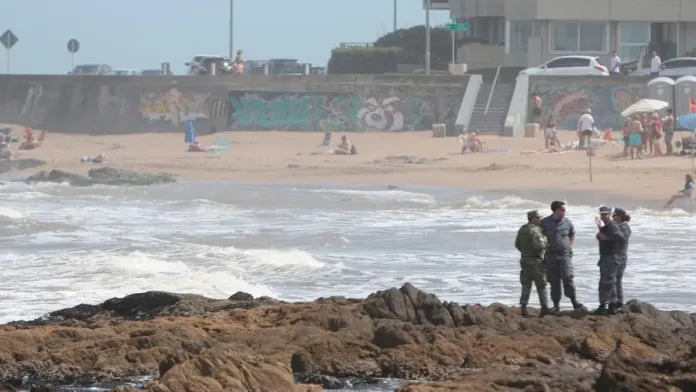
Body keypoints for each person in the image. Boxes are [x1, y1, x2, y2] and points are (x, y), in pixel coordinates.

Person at [541, 201, 584, 313]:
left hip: (565, 255)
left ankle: (574, 302)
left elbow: (572, 233)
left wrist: (569, 245)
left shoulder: (567, 222)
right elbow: (539, 236)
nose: (565, 212)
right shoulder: (545, 222)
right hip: (551, 255)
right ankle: (556, 305)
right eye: (563, 209)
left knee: (567, 277)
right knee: (554, 281)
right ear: (556, 210)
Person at [515, 210, 551, 317]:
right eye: (538, 217)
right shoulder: (535, 230)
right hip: (536, 261)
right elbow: (539, 245)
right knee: (541, 285)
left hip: (524, 260)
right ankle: (544, 308)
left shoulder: (522, 229)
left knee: (526, 285)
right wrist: (546, 239)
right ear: (533, 218)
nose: (540, 219)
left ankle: (523, 307)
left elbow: (517, 244)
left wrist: (525, 252)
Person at [593, 206, 626, 315]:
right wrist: (600, 231)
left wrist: (606, 238)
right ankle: (608, 304)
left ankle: (611, 304)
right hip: (606, 256)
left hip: (611, 257)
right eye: (602, 214)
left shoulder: (612, 226)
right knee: (606, 281)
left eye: (605, 214)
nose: (603, 216)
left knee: (608, 282)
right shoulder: (607, 226)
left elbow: (621, 238)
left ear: (610, 215)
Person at [611, 208, 631, 314]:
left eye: (614, 216)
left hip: (619, 256)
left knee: (615, 280)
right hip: (620, 256)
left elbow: (620, 238)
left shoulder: (623, 228)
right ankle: (618, 301)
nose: (613, 217)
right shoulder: (621, 227)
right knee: (616, 280)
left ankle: (617, 302)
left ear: (619, 216)